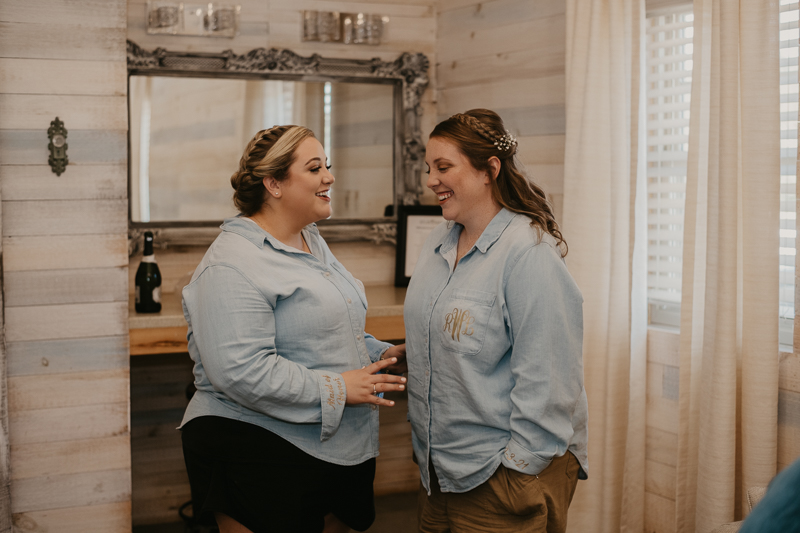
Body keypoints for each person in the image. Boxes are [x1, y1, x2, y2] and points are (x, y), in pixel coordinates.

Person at [179, 125, 407, 533]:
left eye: (328, 166)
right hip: (256, 447)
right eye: (315, 168)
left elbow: (325, 329)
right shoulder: (231, 264)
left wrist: (379, 355)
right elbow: (240, 371)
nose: (329, 177)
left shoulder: (310, 240)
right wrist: (338, 387)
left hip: (331, 447)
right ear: (274, 183)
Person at [402, 109, 588, 532]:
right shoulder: (437, 242)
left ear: (489, 170)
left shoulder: (528, 253)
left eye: (444, 167)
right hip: (438, 473)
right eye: (428, 168)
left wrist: (517, 471)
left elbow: (551, 378)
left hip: (498, 477)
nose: (431, 179)